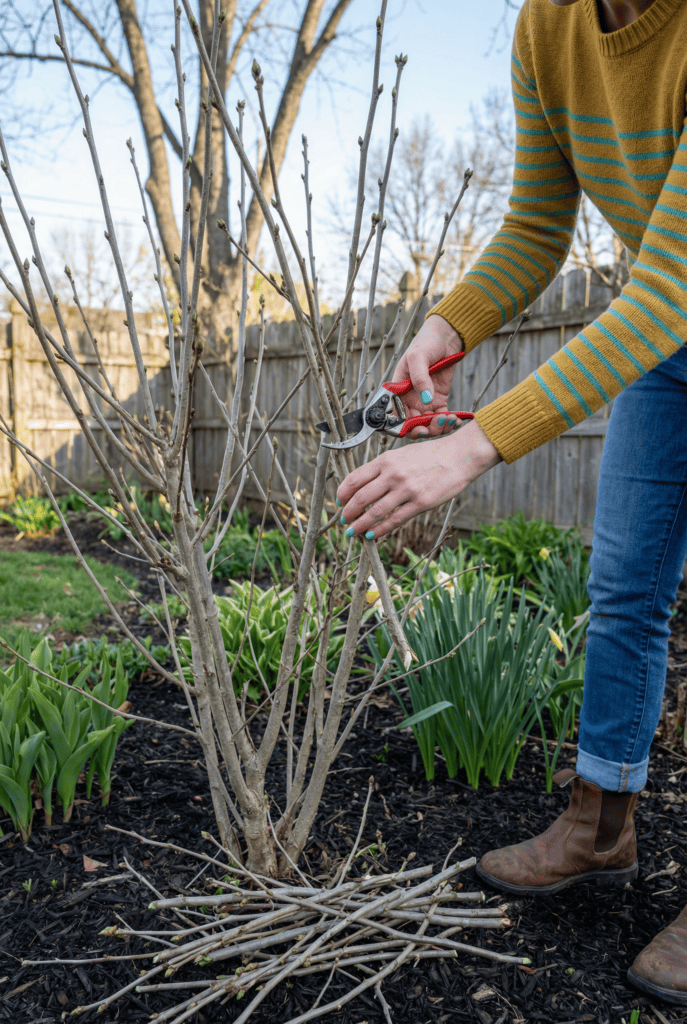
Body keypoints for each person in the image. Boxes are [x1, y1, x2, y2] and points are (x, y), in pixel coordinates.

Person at [337, 0, 687, 1005]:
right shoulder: (549, 25)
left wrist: (472, 449)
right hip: (669, 351)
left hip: (670, 306)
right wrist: (448, 327)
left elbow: (666, 281)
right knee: (622, 587)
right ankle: (601, 825)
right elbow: (539, 222)